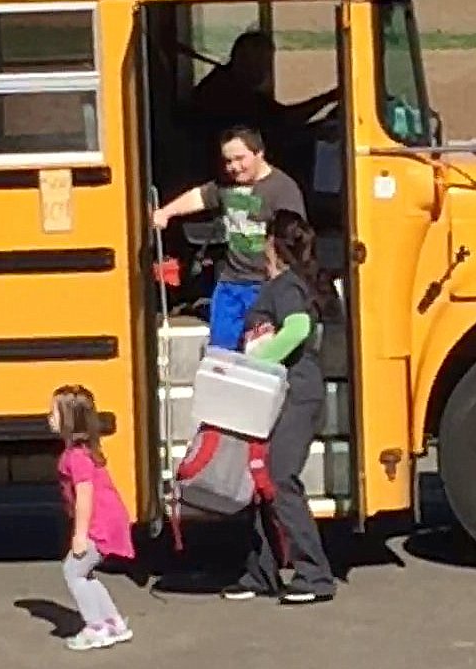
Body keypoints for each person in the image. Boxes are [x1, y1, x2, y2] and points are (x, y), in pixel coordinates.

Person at [222, 208, 337, 605]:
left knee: (280, 477)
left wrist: (255, 363)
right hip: (283, 396)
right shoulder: (286, 284)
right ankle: (261, 571)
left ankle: (315, 575)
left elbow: (298, 329)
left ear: (273, 244)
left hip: (295, 396)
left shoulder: (285, 286)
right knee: (263, 481)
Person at [152, 125, 305, 351]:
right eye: (228, 161)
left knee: (257, 350)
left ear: (259, 153)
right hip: (230, 283)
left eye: (240, 159)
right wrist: (165, 212)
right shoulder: (225, 186)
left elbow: (296, 238)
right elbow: (199, 197)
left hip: (266, 285)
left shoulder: (283, 189)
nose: (233, 167)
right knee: (221, 351)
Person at [49, 384, 136, 651]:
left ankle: (95, 626)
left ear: (69, 420)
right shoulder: (84, 452)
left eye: (54, 413)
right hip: (110, 522)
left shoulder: (76, 457)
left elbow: (85, 496)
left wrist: (80, 535)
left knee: (73, 571)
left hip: (99, 526)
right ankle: (112, 621)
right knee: (85, 574)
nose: (49, 418)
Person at [188, 31, 338, 178]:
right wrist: (324, 108)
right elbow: (280, 124)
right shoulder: (225, 92)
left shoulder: (238, 88)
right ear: (241, 59)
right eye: (260, 62)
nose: (265, 70)